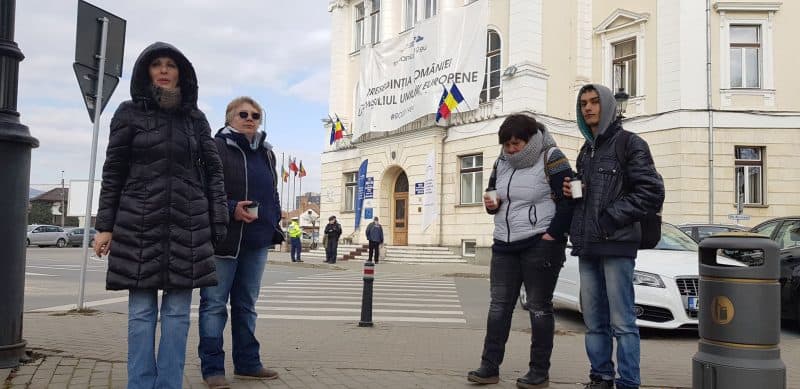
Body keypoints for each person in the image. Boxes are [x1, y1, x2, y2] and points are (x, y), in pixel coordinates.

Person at [94, 41, 228, 389]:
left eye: (171, 65)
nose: (165, 71)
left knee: (178, 315)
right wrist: (104, 227)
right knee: (141, 314)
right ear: (146, 72)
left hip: (187, 225)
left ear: (181, 72)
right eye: (157, 65)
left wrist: (218, 220)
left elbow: (213, 173)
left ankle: (169, 384)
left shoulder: (195, 119)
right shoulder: (127, 114)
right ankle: (140, 384)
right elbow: (113, 173)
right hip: (137, 224)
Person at [563, 84, 665, 389]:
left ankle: (628, 383)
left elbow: (651, 191)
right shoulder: (586, 150)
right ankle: (601, 377)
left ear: (607, 105)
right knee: (594, 322)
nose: (588, 108)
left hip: (617, 244)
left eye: (594, 102)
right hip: (588, 245)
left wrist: (610, 219)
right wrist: (573, 190)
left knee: (622, 323)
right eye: (583, 104)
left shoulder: (630, 143)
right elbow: (592, 196)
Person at [468, 113, 575, 389]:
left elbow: (572, 197)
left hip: (540, 243)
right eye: (507, 145)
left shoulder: (551, 156)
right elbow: (492, 192)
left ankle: (539, 372)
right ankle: (489, 367)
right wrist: (491, 204)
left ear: (529, 140)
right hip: (504, 243)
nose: (512, 150)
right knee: (498, 307)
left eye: (517, 143)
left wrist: (553, 235)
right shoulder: (501, 162)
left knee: (539, 308)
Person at [197, 96, 283, 388]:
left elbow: (272, 191)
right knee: (214, 306)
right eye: (243, 114)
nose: (250, 119)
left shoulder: (267, 153)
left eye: (256, 115)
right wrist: (231, 207)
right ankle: (212, 369)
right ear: (229, 118)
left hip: (256, 241)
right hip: (223, 239)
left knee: (246, 305)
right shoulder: (215, 147)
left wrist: (275, 219)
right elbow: (202, 190)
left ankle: (248, 364)